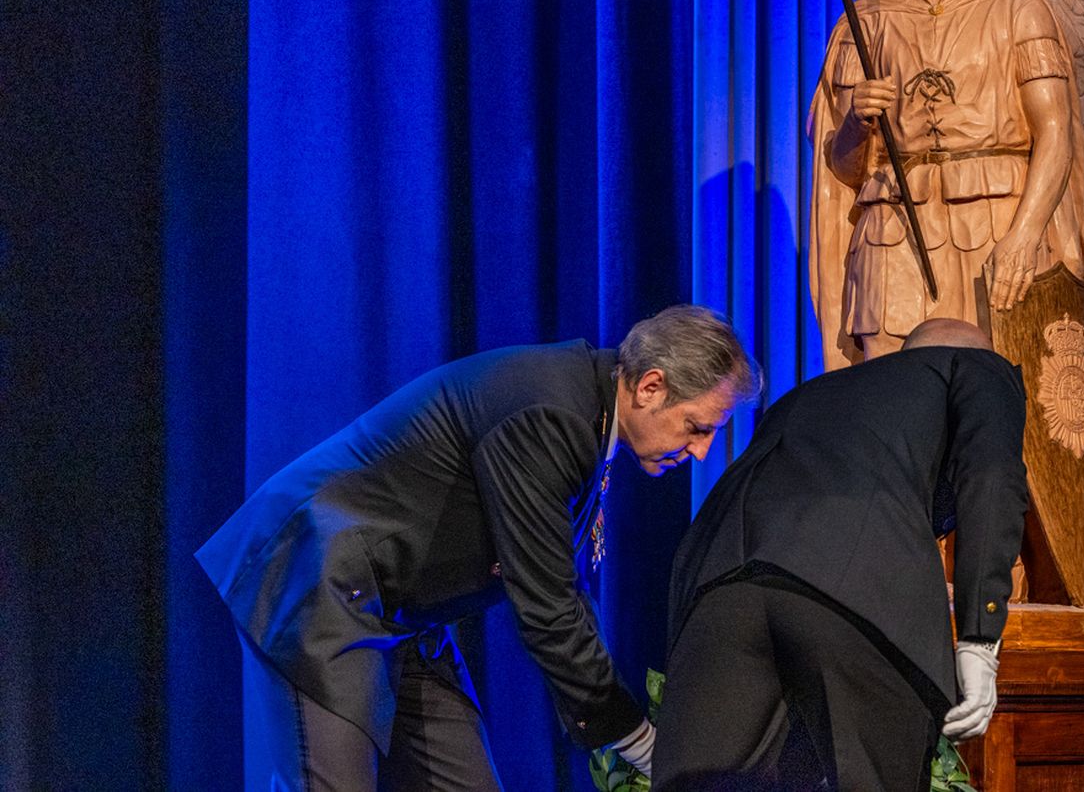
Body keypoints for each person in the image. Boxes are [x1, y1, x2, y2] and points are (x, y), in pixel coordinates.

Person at [196, 305, 760, 791]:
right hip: (321, 579)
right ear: (650, 387)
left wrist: (619, 727)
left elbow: (565, 589)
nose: (702, 451)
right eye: (697, 427)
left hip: (401, 615)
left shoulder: (589, 412)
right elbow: (547, 605)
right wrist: (636, 741)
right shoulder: (551, 413)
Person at [652, 318, 1029, 792]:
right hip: (854, 595)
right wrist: (980, 636)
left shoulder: (809, 393)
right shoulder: (975, 368)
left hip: (719, 581)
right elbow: (992, 478)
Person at [808, 0, 1084, 368]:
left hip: (996, 225)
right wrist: (855, 125)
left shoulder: (1018, 8)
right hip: (892, 234)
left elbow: (1056, 134)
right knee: (893, 395)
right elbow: (843, 173)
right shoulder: (864, 22)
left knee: (995, 389)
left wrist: (1026, 234)